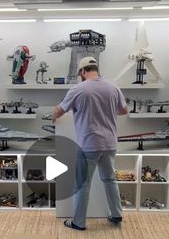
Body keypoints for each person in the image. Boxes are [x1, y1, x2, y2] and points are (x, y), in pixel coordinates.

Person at [52, 56, 128, 230]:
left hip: (88, 145)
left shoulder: (78, 89)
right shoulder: (113, 87)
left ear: (83, 71)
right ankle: (116, 214)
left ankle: (78, 222)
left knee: (82, 184)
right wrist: (105, 110)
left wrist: (53, 116)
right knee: (109, 180)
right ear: (96, 69)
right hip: (110, 144)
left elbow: (60, 110)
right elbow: (124, 110)